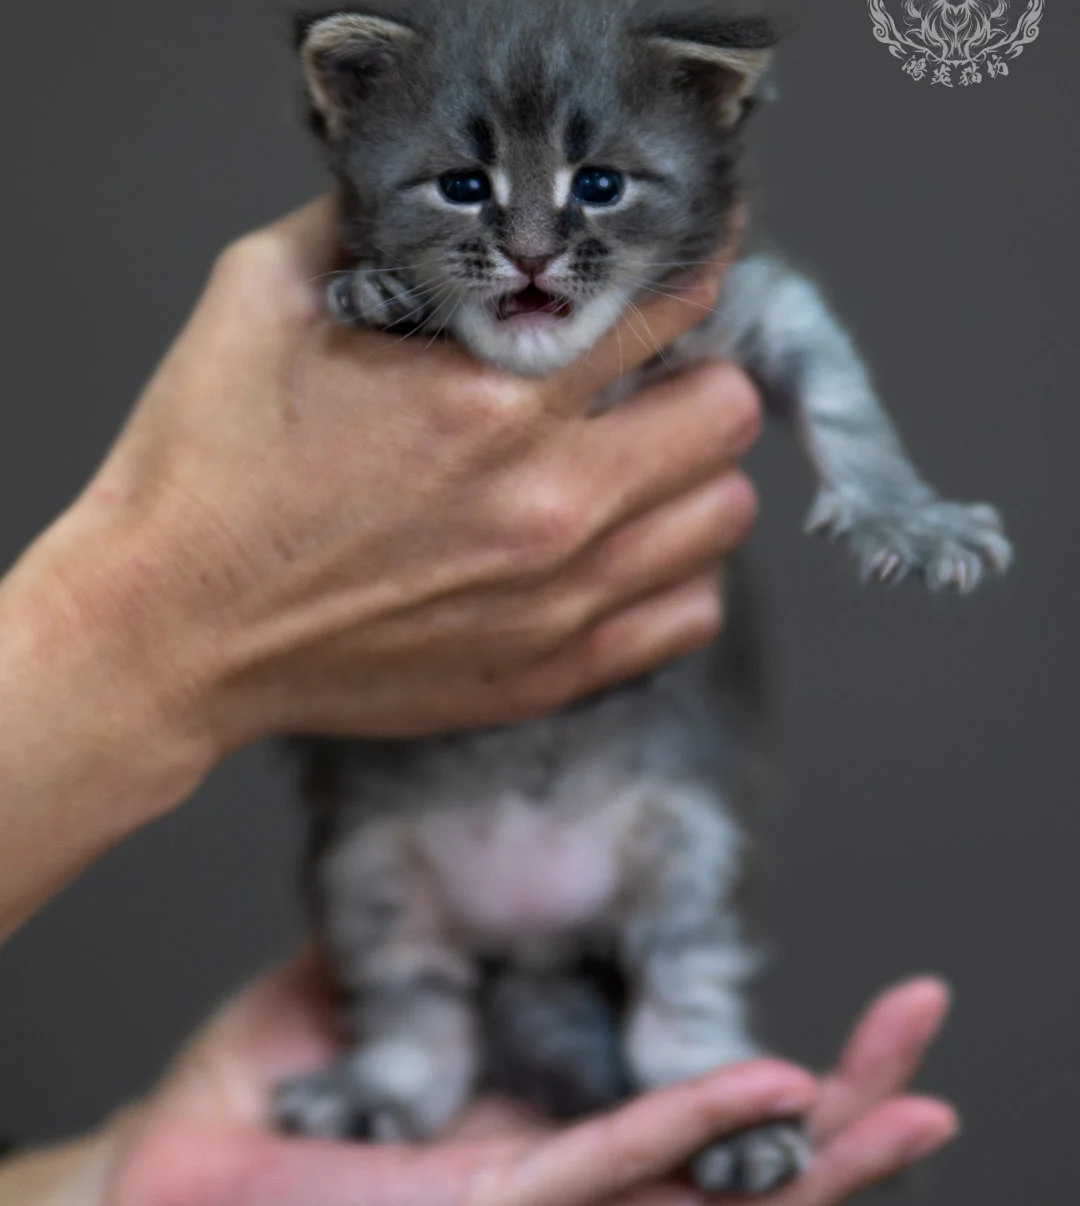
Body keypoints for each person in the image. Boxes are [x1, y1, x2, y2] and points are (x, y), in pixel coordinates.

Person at [0, 198, 958, 1203]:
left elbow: (779, 322)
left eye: (598, 185)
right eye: (464, 183)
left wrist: (107, 1192)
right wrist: (148, 633)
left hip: (626, 785)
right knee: (389, 873)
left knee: (681, 842)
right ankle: (424, 1056)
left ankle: (691, 1064)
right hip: (431, 832)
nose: (534, 239)